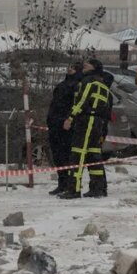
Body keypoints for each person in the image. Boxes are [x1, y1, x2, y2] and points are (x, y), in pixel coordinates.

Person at [58, 58, 114, 199]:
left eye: (87, 64)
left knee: (77, 153)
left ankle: (73, 190)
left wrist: (70, 117)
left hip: (87, 120)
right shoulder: (103, 85)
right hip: (98, 123)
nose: (84, 65)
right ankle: (98, 188)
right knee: (93, 154)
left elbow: (82, 101)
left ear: (94, 68)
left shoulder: (89, 82)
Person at [46, 62, 82, 196]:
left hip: (67, 125)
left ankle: (70, 185)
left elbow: (77, 105)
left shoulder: (78, 86)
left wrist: (69, 119)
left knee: (67, 156)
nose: (69, 69)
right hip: (55, 124)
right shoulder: (63, 85)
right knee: (58, 157)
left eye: (72, 68)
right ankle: (62, 184)